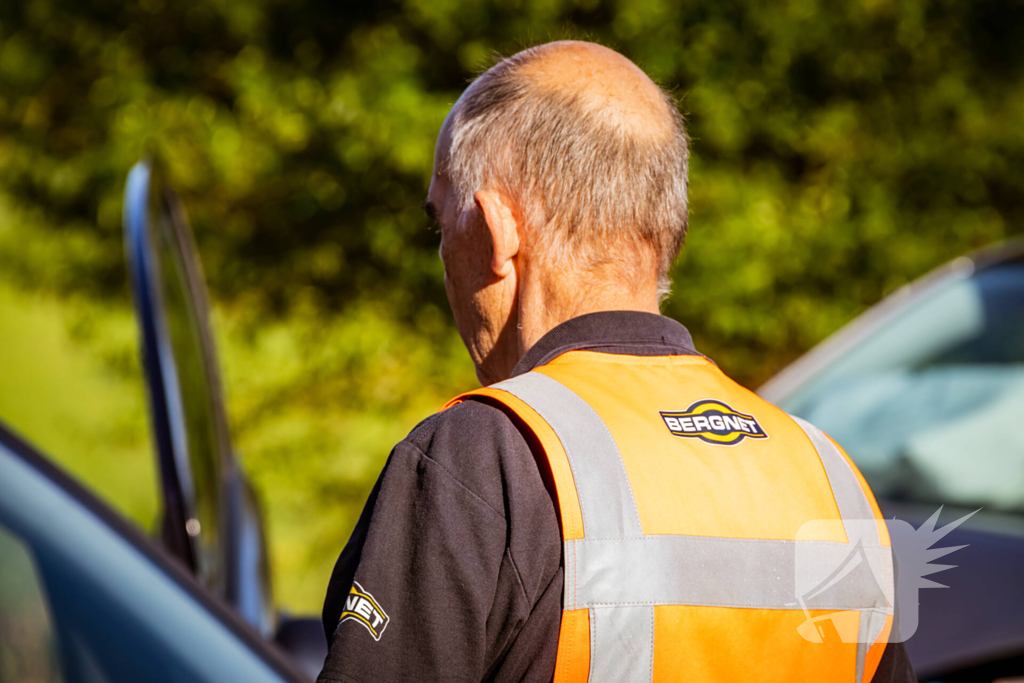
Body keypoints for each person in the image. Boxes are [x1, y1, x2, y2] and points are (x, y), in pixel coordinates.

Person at [317, 40, 915, 683]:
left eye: (442, 223)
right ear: (665, 228)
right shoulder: (830, 477)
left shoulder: (488, 453)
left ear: (496, 230)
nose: (443, 257)